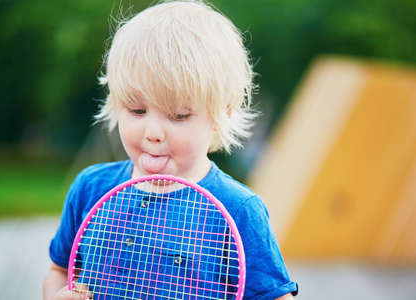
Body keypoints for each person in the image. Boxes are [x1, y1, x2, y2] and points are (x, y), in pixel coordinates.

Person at [43, 1, 298, 299]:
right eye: (137, 110)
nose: (152, 133)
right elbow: (59, 270)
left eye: (178, 116)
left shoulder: (239, 210)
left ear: (223, 113)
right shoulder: (90, 188)